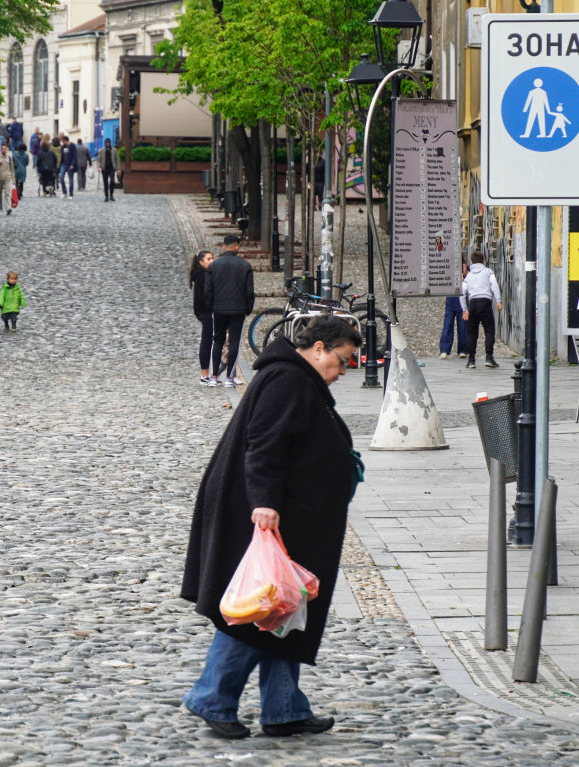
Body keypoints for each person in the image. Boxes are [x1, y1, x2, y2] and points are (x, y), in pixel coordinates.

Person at [181, 315, 362, 740]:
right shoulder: (287, 380)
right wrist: (263, 502)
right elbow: (264, 444)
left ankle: (283, 708)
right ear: (319, 348)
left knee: (287, 606)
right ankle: (212, 697)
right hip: (269, 515)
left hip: (292, 514)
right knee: (263, 607)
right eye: (341, 361)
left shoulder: (298, 379)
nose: (342, 371)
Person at [205, 234, 254, 388]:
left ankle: (213, 376)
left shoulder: (214, 266)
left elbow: (208, 291)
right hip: (238, 309)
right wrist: (248, 308)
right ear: (237, 248)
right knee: (234, 342)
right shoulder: (245, 266)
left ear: (224, 247)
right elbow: (249, 292)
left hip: (219, 308)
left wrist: (211, 307)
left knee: (217, 340)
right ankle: (229, 378)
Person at [460, 250, 501, 369]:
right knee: (489, 330)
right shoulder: (488, 272)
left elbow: (462, 293)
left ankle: (471, 360)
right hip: (486, 302)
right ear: (484, 261)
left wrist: (465, 309)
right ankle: (489, 357)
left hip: (473, 303)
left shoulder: (469, 276)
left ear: (471, 262)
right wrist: (498, 301)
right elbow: (494, 285)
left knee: (472, 332)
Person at [190, 250, 215, 384]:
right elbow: (207, 294)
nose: (212, 261)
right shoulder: (203, 276)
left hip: (204, 311)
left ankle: (209, 373)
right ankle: (204, 374)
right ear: (201, 262)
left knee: (209, 340)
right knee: (206, 341)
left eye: (212, 258)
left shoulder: (202, 274)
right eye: (209, 259)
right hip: (205, 312)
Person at [440, 260, 469, 359]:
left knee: (463, 325)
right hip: (452, 296)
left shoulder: (466, 271)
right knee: (448, 324)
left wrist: (465, 273)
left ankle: (463, 349)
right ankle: (445, 349)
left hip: (462, 297)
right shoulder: (449, 268)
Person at [0, 143, 15, 215]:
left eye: (5, 149)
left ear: (7, 149)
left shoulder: (9, 158)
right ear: (0, 149)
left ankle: (8, 208)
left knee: (7, 193)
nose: (4, 150)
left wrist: (13, 179)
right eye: (2, 149)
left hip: (7, 178)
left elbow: (12, 169)